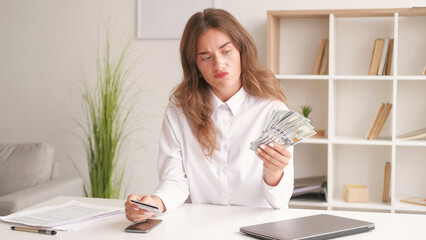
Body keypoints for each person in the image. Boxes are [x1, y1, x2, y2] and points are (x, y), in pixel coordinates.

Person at [125, 8, 294, 223]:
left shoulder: (273, 111)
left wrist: (274, 172)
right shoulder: (179, 110)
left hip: (259, 227)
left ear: (242, 50)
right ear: (195, 65)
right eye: (206, 57)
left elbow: (280, 201)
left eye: (226, 51)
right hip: (201, 227)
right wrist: (154, 204)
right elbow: (175, 180)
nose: (219, 65)